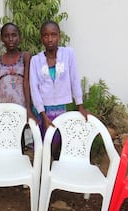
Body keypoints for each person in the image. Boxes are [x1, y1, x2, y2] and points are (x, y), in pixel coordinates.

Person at [29, 20, 88, 160]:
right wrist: (43, 116)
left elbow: (74, 78)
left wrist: (80, 106)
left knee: (57, 141)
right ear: (41, 37)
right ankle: (42, 171)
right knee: (43, 143)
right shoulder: (36, 60)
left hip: (61, 108)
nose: (50, 39)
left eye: (53, 35)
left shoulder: (68, 54)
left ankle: (52, 170)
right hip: (42, 110)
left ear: (59, 36)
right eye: (46, 35)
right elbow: (34, 88)